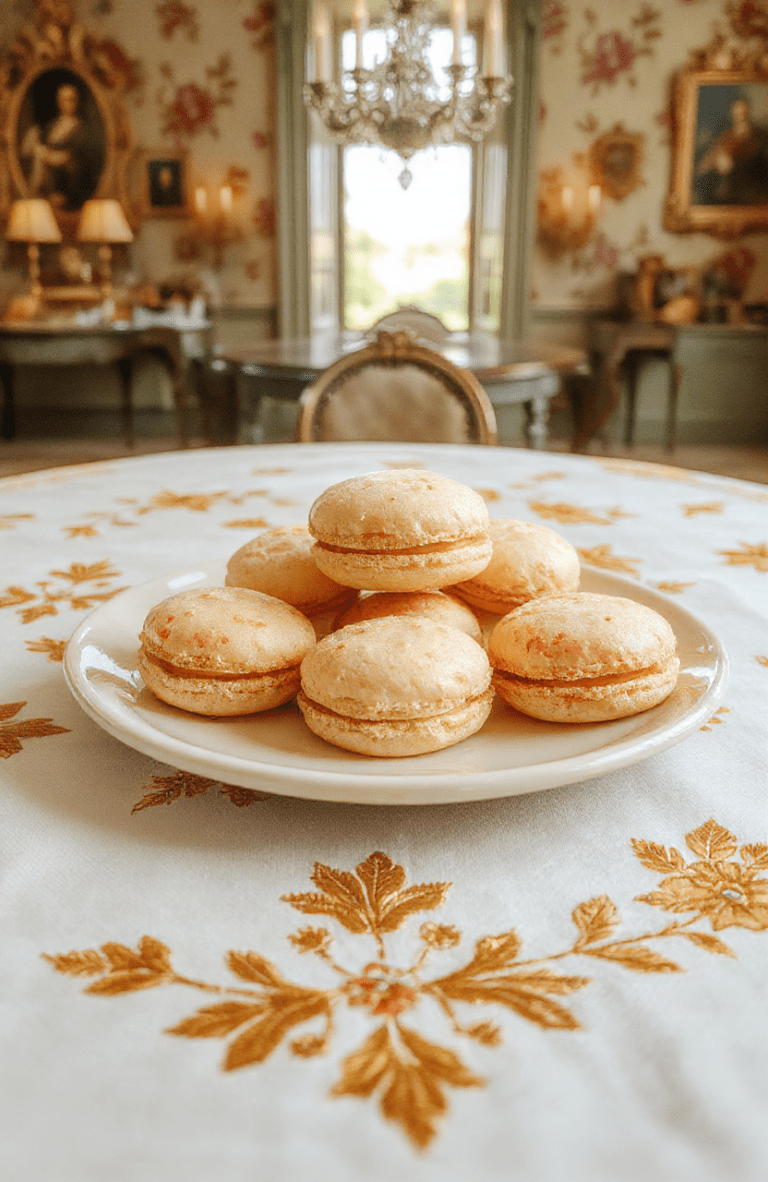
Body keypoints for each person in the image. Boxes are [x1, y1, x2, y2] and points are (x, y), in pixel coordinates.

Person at [20, 81, 95, 211]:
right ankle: (34, 191)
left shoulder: (82, 129)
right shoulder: (51, 126)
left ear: (76, 101)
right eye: (63, 99)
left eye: (71, 99)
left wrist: (42, 153)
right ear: (58, 101)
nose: (67, 103)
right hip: (47, 183)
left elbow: (68, 159)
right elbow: (29, 150)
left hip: (68, 187)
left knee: (39, 151)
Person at [694, 97, 768, 205]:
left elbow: (762, 166)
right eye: (737, 113)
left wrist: (733, 166)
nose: (740, 115)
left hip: (752, 193)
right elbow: (704, 166)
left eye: (743, 112)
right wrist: (717, 164)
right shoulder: (726, 136)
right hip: (728, 193)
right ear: (732, 113)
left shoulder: (760, 136)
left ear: (748, 111)